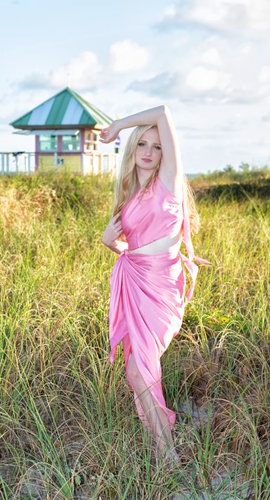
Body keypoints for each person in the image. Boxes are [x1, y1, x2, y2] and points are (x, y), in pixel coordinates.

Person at [100, 105, 212, 467]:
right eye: (142, 144)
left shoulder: (169, 181)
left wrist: (119, 124)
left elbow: (164, 112)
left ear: (166, 153)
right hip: (134, 280)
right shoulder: (129, 194)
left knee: (140, 367)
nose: (148, 152)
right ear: (132, 151)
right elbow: (126, 246)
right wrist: (108, 242)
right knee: (135, 369)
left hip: (161, 286)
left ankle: (167, 453)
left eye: (157, 146)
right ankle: (162, 445)